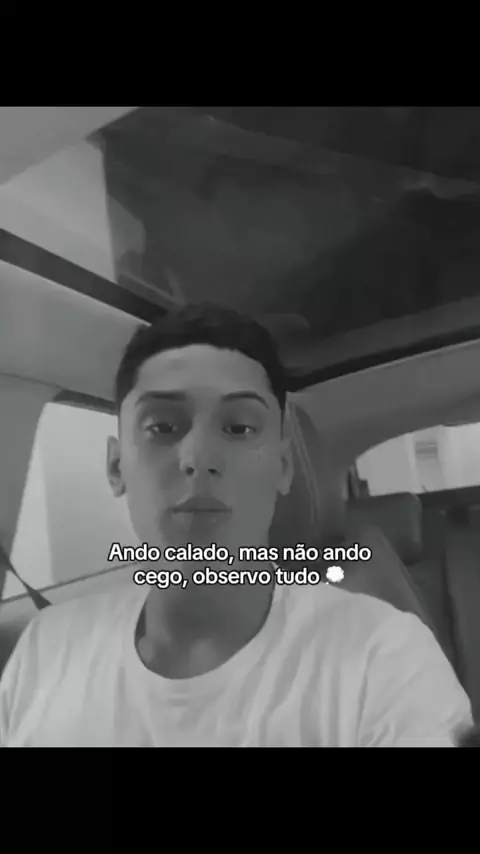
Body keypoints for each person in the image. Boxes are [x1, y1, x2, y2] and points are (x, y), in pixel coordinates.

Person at [0, 303, 473, 746]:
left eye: (240, 428)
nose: (199, 457)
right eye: (162, 427)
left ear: (283, 468)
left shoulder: (383, 658)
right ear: (116, 466)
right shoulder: (44, 648)